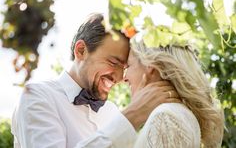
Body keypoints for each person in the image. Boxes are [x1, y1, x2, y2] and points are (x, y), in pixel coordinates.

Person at [11, 13, 178, 148]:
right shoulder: (37, 97)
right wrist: (132, 115)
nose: (120, 78)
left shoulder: (112, 112)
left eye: (125, 68)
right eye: (113, 62)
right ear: (81, 50)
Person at [123, 34, 224, 148]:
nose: (124, 78)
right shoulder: (178, 113)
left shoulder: (165, 116)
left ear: (149, 66)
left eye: (128, 66)